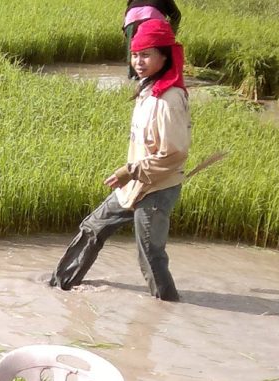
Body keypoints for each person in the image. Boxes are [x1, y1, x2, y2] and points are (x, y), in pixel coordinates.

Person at [50, 18, 189, 302]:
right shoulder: (148, 89)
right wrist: (131, 174)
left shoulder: (168, 100)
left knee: (150, 254)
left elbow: (175, 154)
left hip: (156, 189)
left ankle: (169, 307)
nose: (139, 61)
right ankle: (59, 286)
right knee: (93, 228)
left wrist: (131, 170)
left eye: (147, 54)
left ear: (164, 55)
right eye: (135, 54)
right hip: (134, 184)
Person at [124, 0, 180, 79]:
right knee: (155, 54)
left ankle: (133, 79)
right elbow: (176, 15)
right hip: (152, 16)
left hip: (130, 19)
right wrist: (170, 35)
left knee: (134, 55)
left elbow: (128, 7)